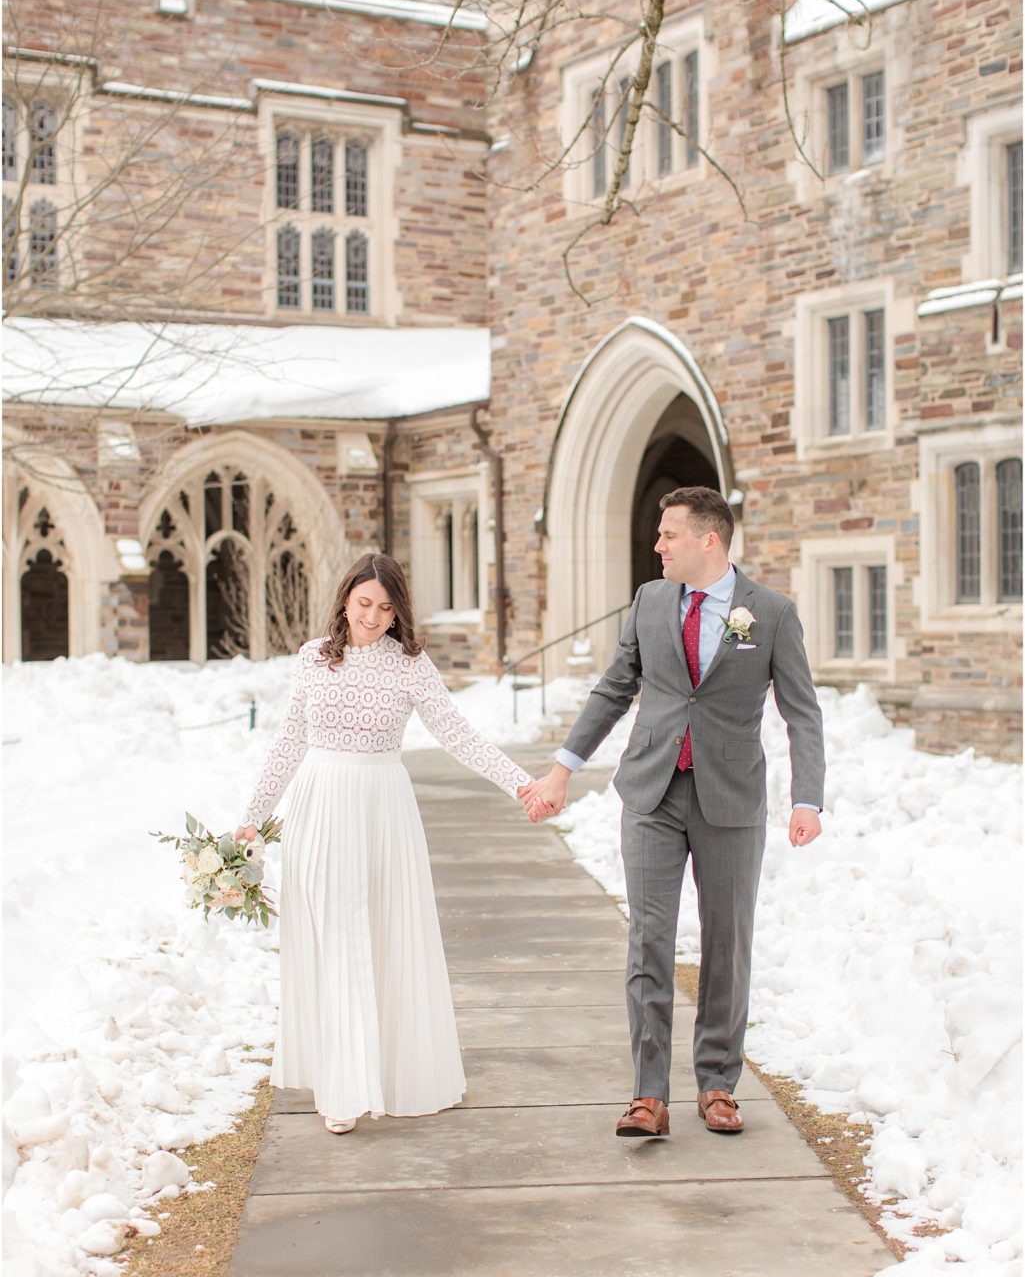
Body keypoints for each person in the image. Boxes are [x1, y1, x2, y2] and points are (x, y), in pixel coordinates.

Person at [520, 487, 825, 1140]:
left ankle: (717, 1084)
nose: (656, 545)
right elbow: (613, 689)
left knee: (726, 943)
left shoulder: (769, 614)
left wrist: (806, 798)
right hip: (652, 793)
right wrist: (561, 768)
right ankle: (647, 1094)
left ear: (707, 540)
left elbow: (801, 711)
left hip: (730, 801)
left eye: (668, 535)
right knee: (648, 939)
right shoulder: (649, 601)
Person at [236, 552, 532, 1135]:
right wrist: (252, 817)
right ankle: (342, 1086)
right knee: (335, 942)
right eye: (364, 603)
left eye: (385, 608)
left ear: (398, 613)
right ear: (345, 597)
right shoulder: (311, 660)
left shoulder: (410, 665)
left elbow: (457, 735)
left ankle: (385, 1072)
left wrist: (520, 783)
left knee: (381, 938)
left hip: (382, 811)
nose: (372, 617)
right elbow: (289, 742)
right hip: (319, 808)